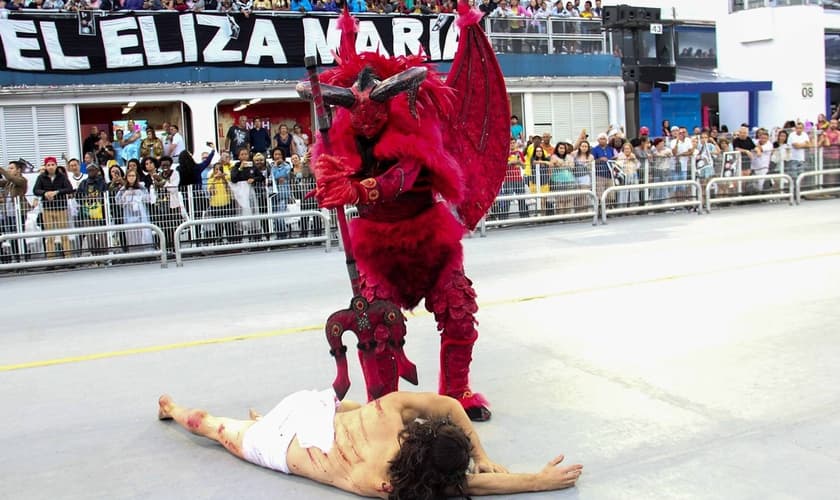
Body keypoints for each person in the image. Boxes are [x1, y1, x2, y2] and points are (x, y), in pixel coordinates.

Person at [158, 390, 583, 499]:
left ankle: (172, 408)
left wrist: (481, 453)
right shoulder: (385, 481)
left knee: (353, 409)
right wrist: (538, 481)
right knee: (214, 428)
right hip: (279, 447)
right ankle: (177, 411)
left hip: (310, 407)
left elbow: (450, 406)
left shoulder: (392, 411)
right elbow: (476, 488)